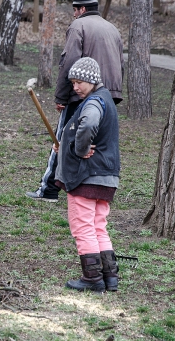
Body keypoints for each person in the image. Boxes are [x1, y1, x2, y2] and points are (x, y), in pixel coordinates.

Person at [26, 0, 124, 202]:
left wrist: (62, 96)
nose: (73, 14)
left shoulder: (78, 26)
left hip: (81, 96)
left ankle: (49, 189)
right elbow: (120, 63)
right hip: (108, 95)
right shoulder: (113, 28)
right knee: (95, 143)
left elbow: (68, 63)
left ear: (82, 9)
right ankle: (90, 187)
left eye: (75, 9)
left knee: (63, 139)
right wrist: (114, 93)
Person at [52, 57, 120, 292]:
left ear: (91, 81)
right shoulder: (106, 99)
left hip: (86, 177)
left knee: (83, 227)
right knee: (98, 226)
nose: (75, 87)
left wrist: (79, 150)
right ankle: (110, 277)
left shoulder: (93, 102)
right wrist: (66, 143)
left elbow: (89, 124)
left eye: (79, 82)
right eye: (72, 83)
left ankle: (92, 278)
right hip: (105, 177)